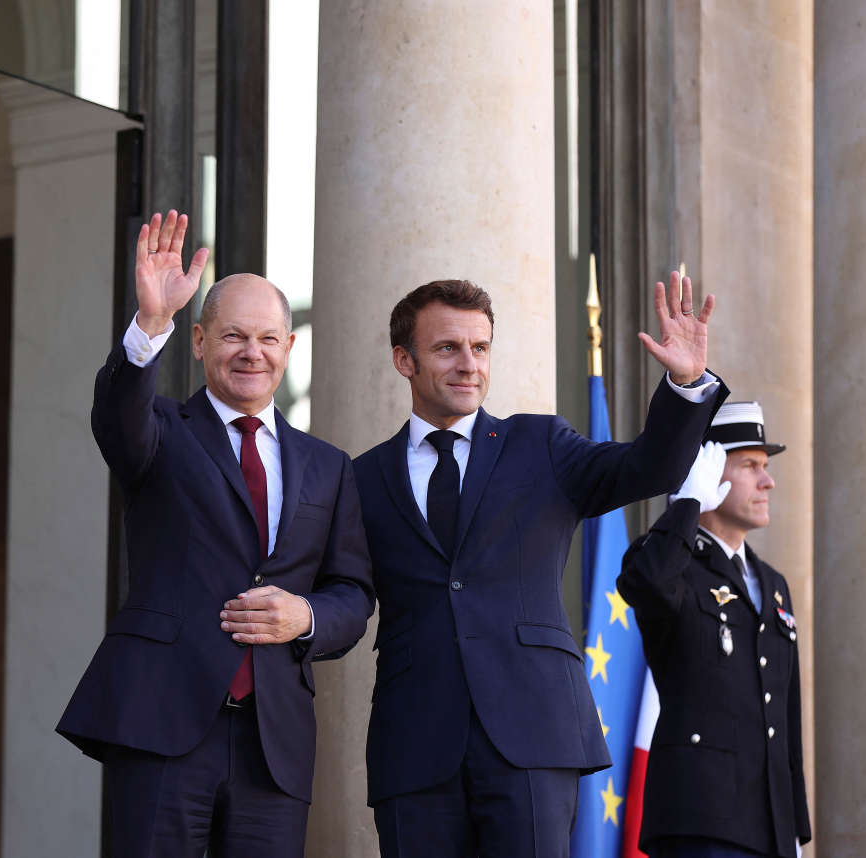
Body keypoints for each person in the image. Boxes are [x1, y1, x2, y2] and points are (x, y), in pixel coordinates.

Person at [353, 274, 729, 857]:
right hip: (415, 743)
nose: (468, 365)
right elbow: (349, 592)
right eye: (447, 348)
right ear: (404, 360)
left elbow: (647, 469)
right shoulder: (362, 478)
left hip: (533, 734)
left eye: (480, 348)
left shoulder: (541, 444)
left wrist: (683, 384)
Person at [57, 210, 375, 857]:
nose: (251, 352)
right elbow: (118, 420)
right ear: (199, 341)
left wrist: (305, 615)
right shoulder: (162, 430)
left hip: (273, 742)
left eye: (266, 338)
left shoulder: (328, 466)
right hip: (162, 722)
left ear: (288, 347)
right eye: (233, 336)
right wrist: (150, 325)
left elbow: (353, 592)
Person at [617, 403, 810, 858]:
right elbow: (646, 584)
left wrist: (796, 829)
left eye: (766, 466)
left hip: (771, 828)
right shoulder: (670, 562)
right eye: (750, 466)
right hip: (701, 821)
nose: (768, 481)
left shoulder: (773, 584)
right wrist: (687, 504)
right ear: (707, 471)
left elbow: (786, 714)